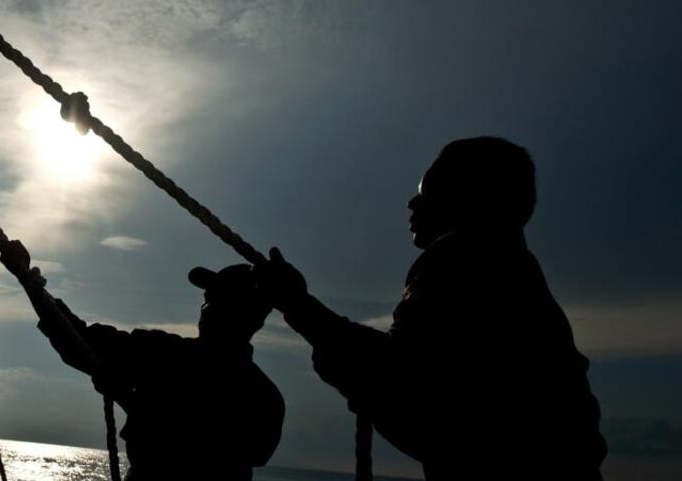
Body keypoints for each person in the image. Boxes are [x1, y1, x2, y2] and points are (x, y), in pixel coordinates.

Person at [256, 136, 606, 480]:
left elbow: (402, 379)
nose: (412, 203)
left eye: (425, 193)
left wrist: (296, 304)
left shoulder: (461, 256)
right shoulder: (514, 271)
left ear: (466, 197)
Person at [0, 240, 285, 480]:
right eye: (206, 299)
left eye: (215, 301)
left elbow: (77, 340)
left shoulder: (166, 355)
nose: (205, 308)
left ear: (241, 315)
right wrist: (28, 280)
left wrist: (132, 400)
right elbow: (78, 339)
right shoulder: (266, 399)